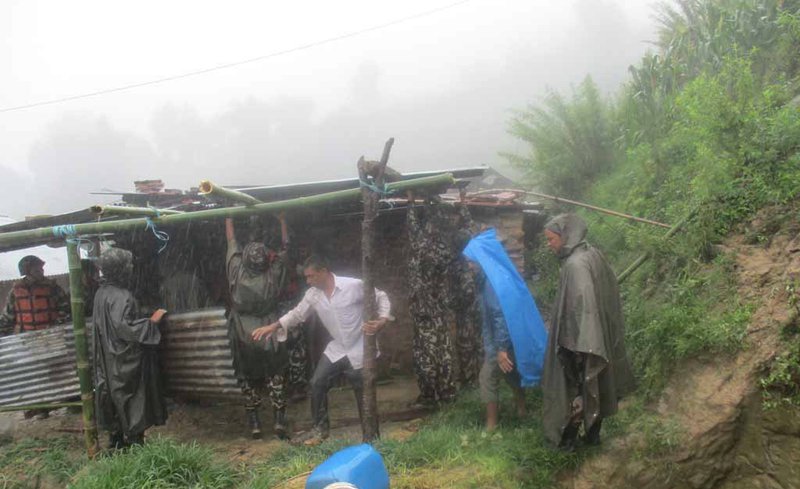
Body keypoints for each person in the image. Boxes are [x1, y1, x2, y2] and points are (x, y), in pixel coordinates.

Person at [251, 255, 391, 446]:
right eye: (306, 277)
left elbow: (380, 296)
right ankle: (320, 430)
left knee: (363, 394)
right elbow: (297, 314)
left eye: (311, 276)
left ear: (324, 271)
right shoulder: (313, 295)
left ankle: (371, 439)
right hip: (338, 348)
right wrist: (273, 327)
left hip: (360, 348)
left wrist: (382, 320)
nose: (308, 281)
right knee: (317, 382)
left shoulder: (353, 285)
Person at [541, 214, 635, 450]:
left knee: (578, 387)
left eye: (551, 239)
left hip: (582, 339)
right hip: (595, 334)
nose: (549, 244)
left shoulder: (575, 265)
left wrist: (579, 343)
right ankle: (593, 436)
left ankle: (567, 442)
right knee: (596, 383)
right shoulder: (591, 253)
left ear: (565, 236)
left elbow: (583, 309)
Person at [463, 229, 548, 432]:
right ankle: (522, 409)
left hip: (502, 340)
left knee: (487, 377)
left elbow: (499, 316)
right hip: (513, 337)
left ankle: (491, 425)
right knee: (511, 373)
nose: (469, 266)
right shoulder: (498, 275)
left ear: (482, 259)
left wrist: (501, 349)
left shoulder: (492, 283)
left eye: (471, 261)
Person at [93, 247, 168, 448]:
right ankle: (136, 445)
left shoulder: (102, 293)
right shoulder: (121, 295)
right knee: (132, 399)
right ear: (120, 269)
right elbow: (124, 328)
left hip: (109, 358)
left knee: (114, 400)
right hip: (124, 361)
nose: (132, 268)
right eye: (128, 265)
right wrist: (152, 321)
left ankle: (116, 443)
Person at [225, 215, 291, 440]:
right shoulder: (273, 274)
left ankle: (254, 424)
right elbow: (285, 248)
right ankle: (279, 420)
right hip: (269, 331)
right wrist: (283, 221)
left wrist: (228, 218)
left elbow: (231, 242)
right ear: (266, 260)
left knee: (247, 379)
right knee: (276, 377)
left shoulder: (235, 271)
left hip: (243, 333)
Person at [406, 191, 457, 407]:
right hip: (438, 310)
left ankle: (429, 397)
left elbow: (412, 228)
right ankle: (447, 395)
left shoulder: (422, 246)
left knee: (424, 355)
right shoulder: (445, 246)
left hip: (425, 311)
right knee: (443, 351)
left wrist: (410, 201)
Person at [0, 255, 70, 337]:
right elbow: (7, 316)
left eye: (41, 268)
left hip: (51, 334)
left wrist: (56, 326)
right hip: (25, 336)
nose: (41, 271)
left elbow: (66, 310)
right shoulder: (16, 291)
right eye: (37, 269)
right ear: (27, 272)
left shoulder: (53, 288)